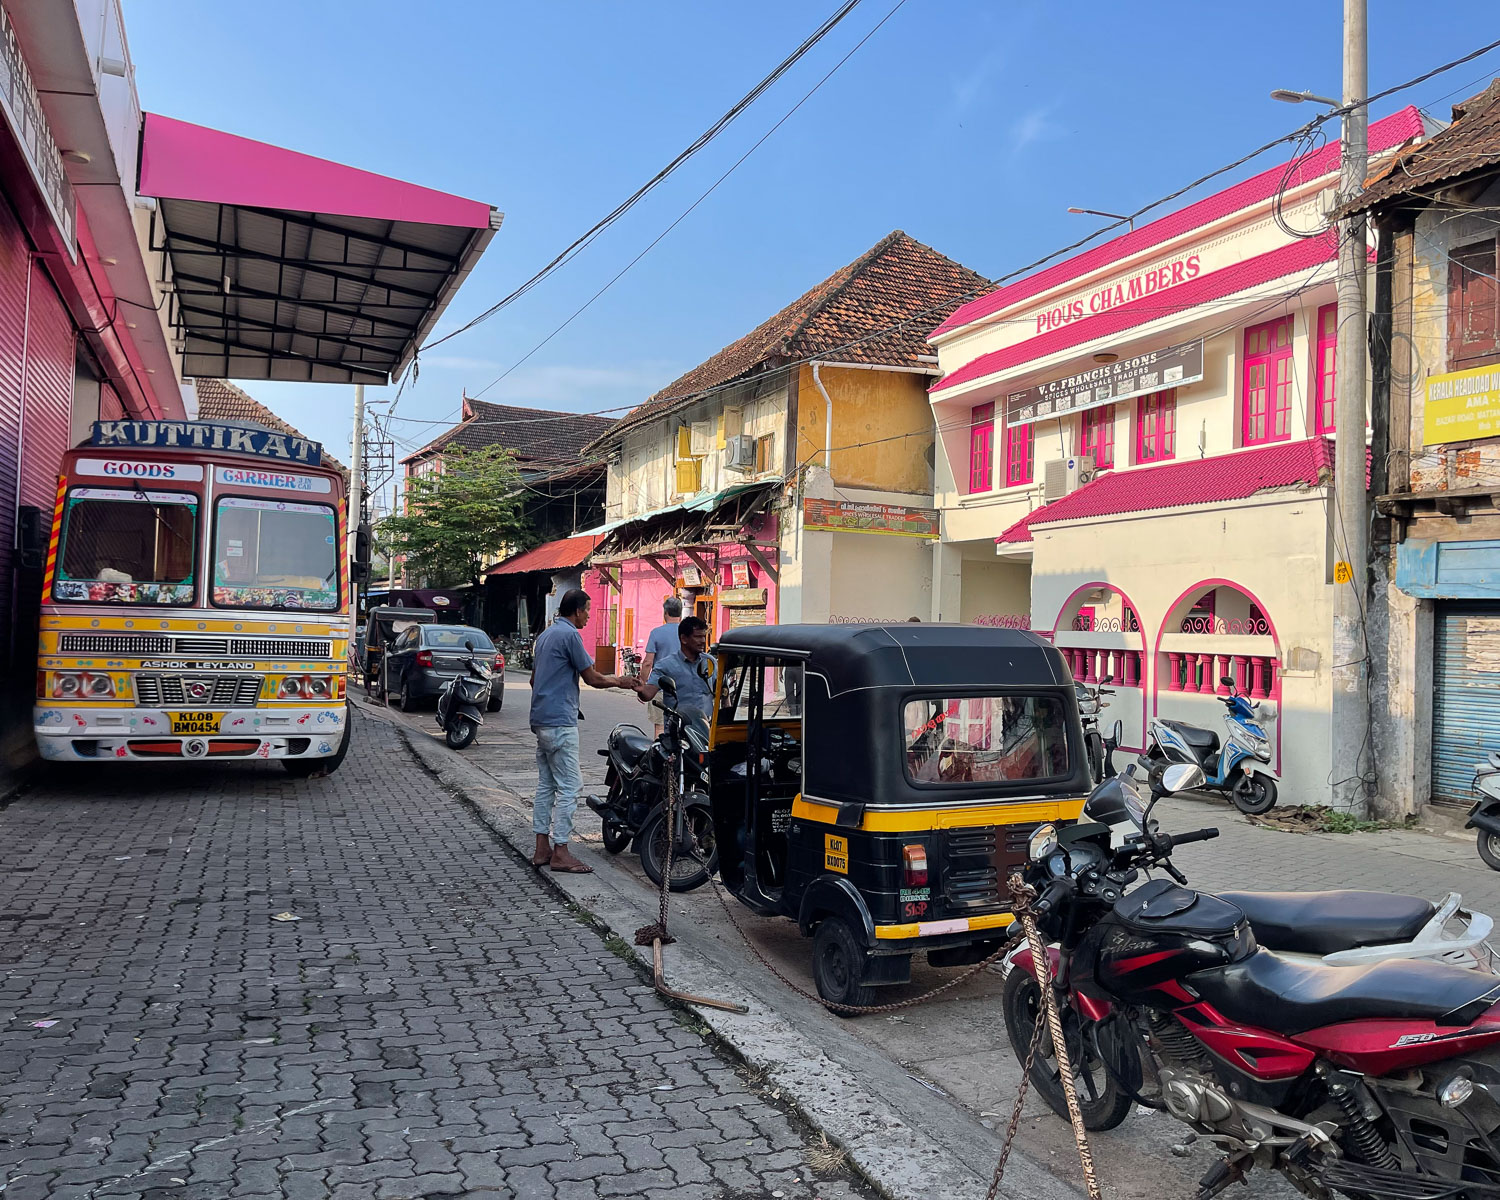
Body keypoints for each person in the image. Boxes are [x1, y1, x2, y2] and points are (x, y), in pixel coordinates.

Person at [529, 588, 638, 873]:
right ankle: (561, 850)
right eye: (588, 610)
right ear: (577, 610)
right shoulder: (569, 635)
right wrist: (621, 681)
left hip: (541, 719)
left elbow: (533, 680)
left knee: (546, 785)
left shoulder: (545, 636)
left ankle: (542, 847)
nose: (589, 615)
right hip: (559, 721)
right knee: (570, 787)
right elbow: (592, 678)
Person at [636, 616, 717, 740]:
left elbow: (722, 693)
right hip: (678, 736)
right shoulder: (665, 666)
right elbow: (648, 694)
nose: (702, 641)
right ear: (684, 639)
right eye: (697, 637)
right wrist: (641, 689)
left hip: (706, 734)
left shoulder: (710, 662)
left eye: (703, 636)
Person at [641, 597, 682, 678]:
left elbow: (648, 662)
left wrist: (642, 682)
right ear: (680, 613)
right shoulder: (688, 633)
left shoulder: (656, 633)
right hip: (682, 681)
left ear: (666, 613)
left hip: (660, 681)